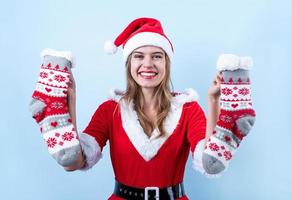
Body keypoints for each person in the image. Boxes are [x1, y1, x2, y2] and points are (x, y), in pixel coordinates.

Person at [31, 17, 255, 200]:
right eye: (139, 56)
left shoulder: (188, 109)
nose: (148, 64)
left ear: (167, 64)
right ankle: (54, 109)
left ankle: (231, 115)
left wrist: (214, 102)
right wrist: (70, 102)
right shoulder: (110, 110)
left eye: (157, 57)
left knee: (213, 157)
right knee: (69, 151)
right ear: (129, 64)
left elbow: (210, 163)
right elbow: (73, 162)